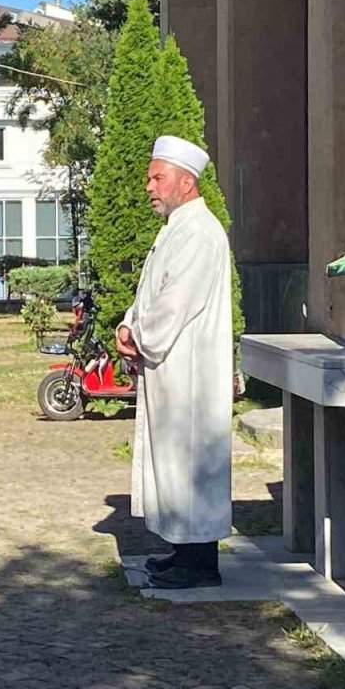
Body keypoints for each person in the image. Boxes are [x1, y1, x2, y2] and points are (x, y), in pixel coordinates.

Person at [116, 135, 234, 590]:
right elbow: (151, 294)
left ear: (186, 183)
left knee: (191, 461)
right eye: (150, 177)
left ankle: (200, 561)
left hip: (190, 369)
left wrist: (139, 335)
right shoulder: (177, 230)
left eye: (157, 177)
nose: (149, 186)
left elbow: (175, 303)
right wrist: (129, 327)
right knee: (175, 460)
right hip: (171, 365)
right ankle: (184, 551)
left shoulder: (200, 234)